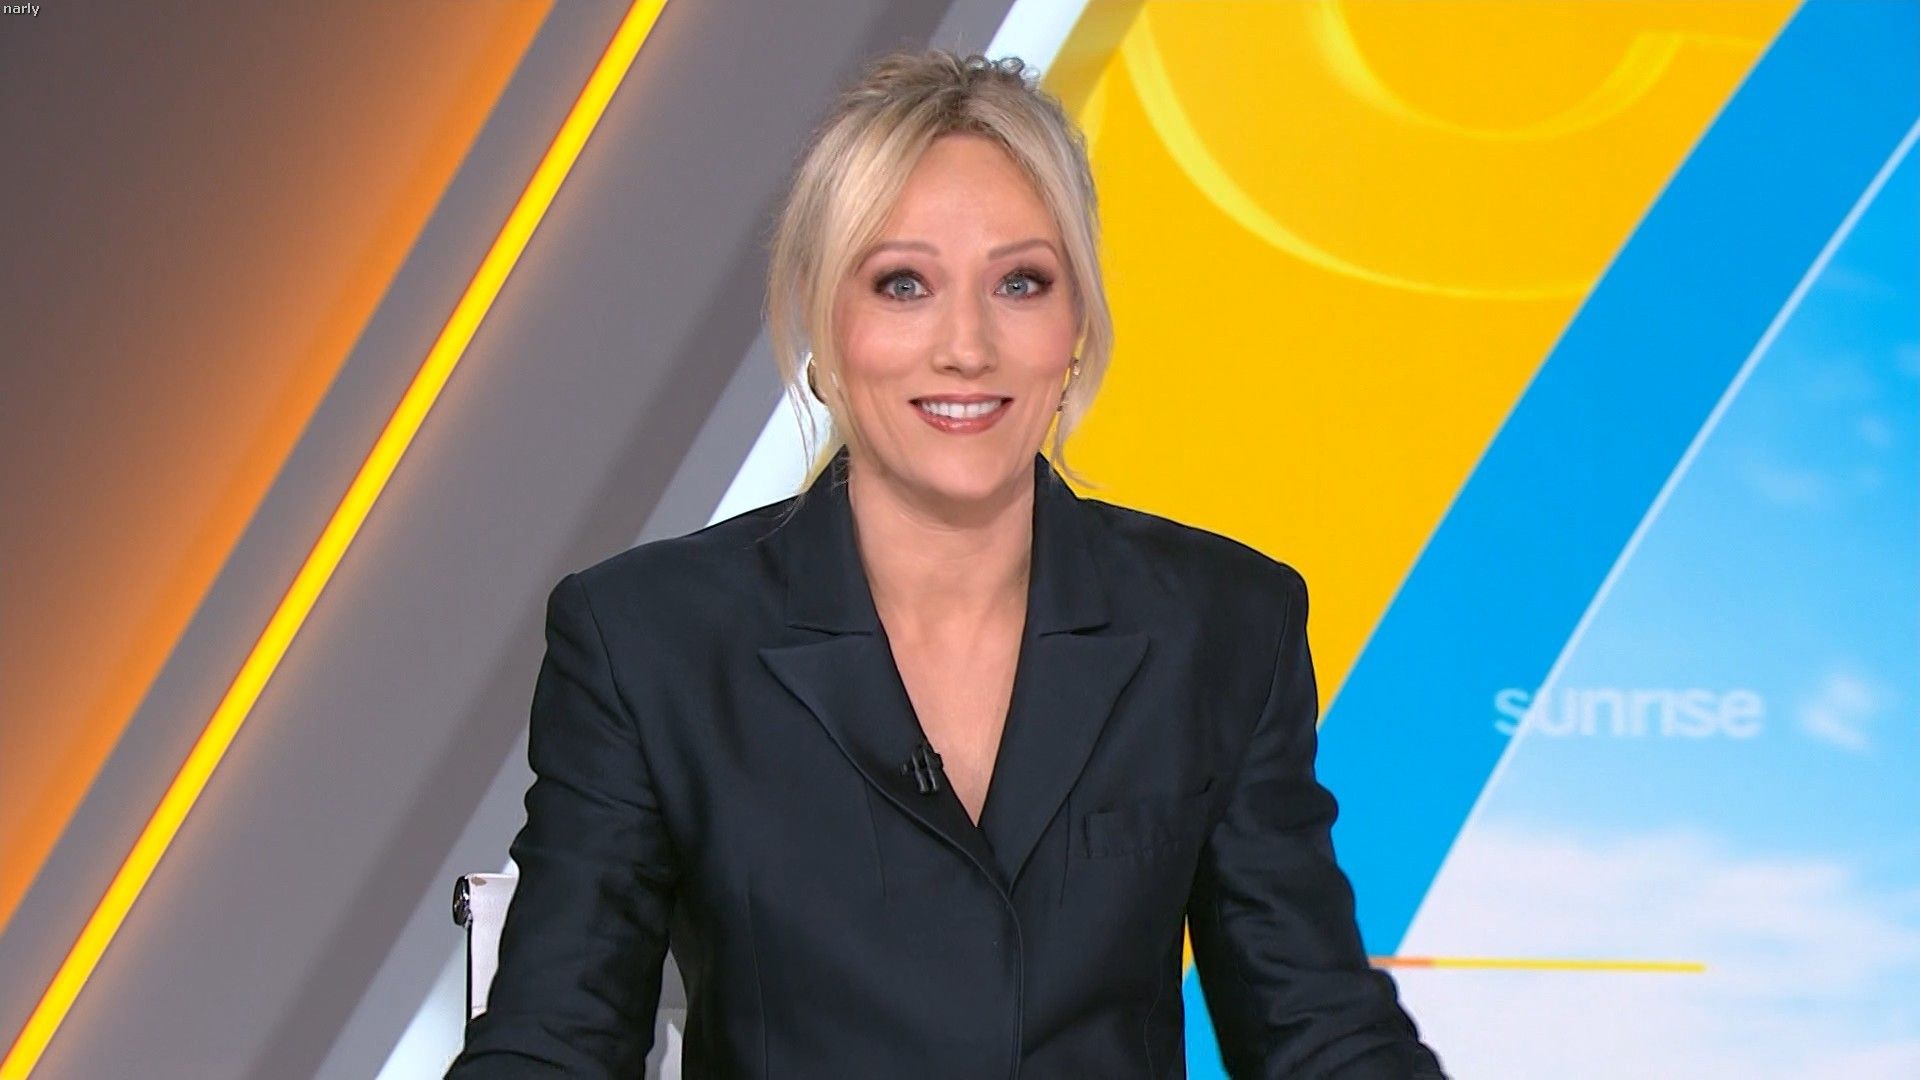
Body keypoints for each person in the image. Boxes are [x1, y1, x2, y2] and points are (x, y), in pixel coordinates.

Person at [447, 49, 1445, 1079]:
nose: (967, 346)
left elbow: (1321, 1033)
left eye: (1020, 283)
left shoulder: (1222, 624)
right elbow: (554, 1044)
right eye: (903, 285)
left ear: (1075, 322)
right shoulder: (647, 639)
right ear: (825, 323)